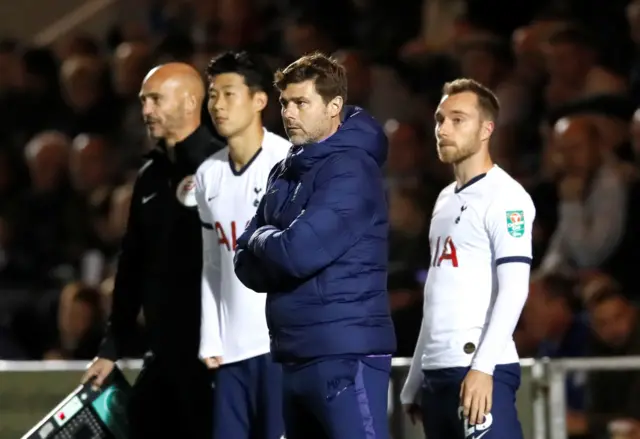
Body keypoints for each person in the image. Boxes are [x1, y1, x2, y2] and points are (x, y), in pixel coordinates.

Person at [233, 52, 396, 439]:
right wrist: (267, 244)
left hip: (344, 353)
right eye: (285, 102)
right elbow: (244, 263)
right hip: (295, 352)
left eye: (301, 102)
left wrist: (259, 238)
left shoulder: (352, 167)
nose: (289, 113)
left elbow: (296, 252)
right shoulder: (286, 169)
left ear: (334, 106)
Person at [81, 63, 223, 439]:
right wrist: (111, 347)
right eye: (144, 100)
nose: (146, 111)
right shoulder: (150, 174)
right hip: (163, 354)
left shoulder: (226, 168)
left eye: (156, 99)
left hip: (216, 361)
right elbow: (132, 265)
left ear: (191, 101)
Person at [400, 78, 536, 439]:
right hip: (437, 374)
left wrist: (484, 369)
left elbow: (514, 290)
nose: (443, 128)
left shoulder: (506, 197)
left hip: (477, 367)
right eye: (440, 119)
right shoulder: (445, 199)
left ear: (486, 129)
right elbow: (437, 294)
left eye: (458, 119)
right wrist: (416, 378)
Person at [195, 51, 290, 439]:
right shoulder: (207, 174)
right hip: (230, 355)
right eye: (213, 94)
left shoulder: (287, 161)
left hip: (278, 349)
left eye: (228, 93)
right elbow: (212, 261)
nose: (217, 104)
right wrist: (210, 335)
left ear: (259, 100)